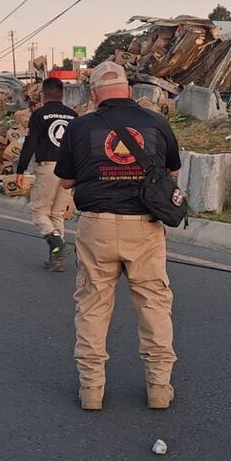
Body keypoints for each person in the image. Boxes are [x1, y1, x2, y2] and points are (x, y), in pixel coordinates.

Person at [55, 61, 182, 412]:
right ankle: (158, 388)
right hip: (144, 225)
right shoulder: (157, 122)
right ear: (128, 90)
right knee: (154, 304)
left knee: (93, 305)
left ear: (95, 94)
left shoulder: (80, 128)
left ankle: (91, 391)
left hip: (96, 226)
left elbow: (65, 181)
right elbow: (170, 171)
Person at [16, 77, 78, 272]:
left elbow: (30, 144)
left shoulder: (39, 115)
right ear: (62, 94)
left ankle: (58, 245)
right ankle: (56, 258)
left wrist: (20, 169)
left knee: (39, 211)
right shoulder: (73, 115)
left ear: (43, 94)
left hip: (49, 167)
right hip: (69, 169)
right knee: (57, 212)